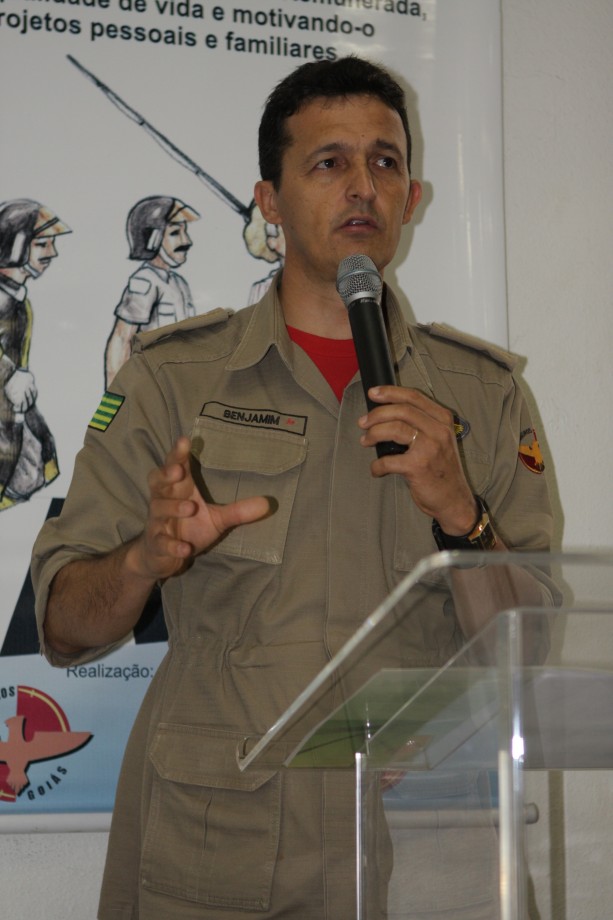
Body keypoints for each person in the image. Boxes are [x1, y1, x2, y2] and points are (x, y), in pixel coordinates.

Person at [31, 57, 554, 919]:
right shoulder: (173, 379)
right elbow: (62, 628)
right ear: (268, 202)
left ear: (412, 198)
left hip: (423, 843)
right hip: (223, 841)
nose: (362, 187)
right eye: (328, 162)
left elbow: (528, 652)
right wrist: (143, 561)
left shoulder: (483, 393)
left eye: (384, 162)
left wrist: (460, 513)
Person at [0, 199, 70, 511]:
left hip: (13, 415)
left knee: (33, 472)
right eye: (42, 243)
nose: (52, 253)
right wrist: (8, 374)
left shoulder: (18, 299)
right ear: (14, 244)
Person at [104, 196, 199, 388]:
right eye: (175, 233)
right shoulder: (145, 280)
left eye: (185, 231)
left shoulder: (179, 283)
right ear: (153, 238)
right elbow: (122, 339)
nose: (186, 241)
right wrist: (113, 400)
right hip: (150, 386)